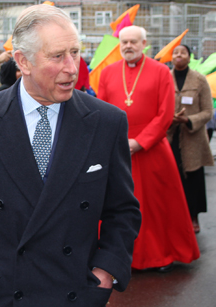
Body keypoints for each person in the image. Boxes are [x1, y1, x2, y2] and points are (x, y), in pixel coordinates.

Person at [0, 5, 141, 307]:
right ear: (23, 61)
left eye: (75, 52)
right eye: (57, 56)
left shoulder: (107, 122)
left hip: (74, 290)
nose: (72, 67)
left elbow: (123, 210)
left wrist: (105, 272)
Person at [98, 26, 200, 272]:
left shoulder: (161, 72)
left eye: (133, 42)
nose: (128, 46)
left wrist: (139, 142)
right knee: (116, 206)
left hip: (152, 150)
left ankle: (159, 256)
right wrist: (118, 142)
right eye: (124, 42)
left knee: (156, 208)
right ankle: (116, 257)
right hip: (118, 151)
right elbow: (101, 111)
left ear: (144, 43)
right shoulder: (107, 73)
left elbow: (165, 114)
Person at [167, 45, 214, 233]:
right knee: (171, 177)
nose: (178, 55)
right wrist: (169, 119)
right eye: (175, 52)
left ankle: (193, 217)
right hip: (170, 135)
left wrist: (188, 120)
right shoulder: (165, 79)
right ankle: (173, 216)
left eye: (183, 52)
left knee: (193, 177)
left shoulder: (200, 80)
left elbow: (208, 112)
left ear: (189, 57)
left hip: (192, 137)